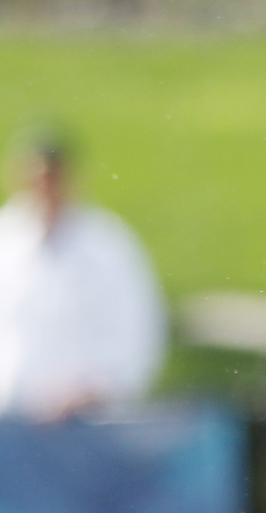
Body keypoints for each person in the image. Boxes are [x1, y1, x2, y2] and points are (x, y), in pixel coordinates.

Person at [0, 128, 167, 421]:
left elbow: (138, 333)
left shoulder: (109, 248)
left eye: (51, 177)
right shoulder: (7, 239)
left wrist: (95, 388)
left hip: (81, 423)